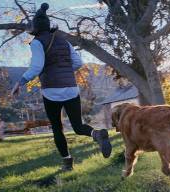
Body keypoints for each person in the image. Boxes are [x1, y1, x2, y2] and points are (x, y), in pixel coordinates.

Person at [11, 3, 112, 171]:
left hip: (51, 92)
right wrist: (64, 70)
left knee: (57, 128)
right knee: (78, 126)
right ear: (49, 25)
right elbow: (78, 63)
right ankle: (97, 134)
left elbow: (37, 67)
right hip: (71, 89)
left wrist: (19, 82)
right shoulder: (63, 40)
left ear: (34, 28)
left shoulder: (36, 42)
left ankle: (67, 164)